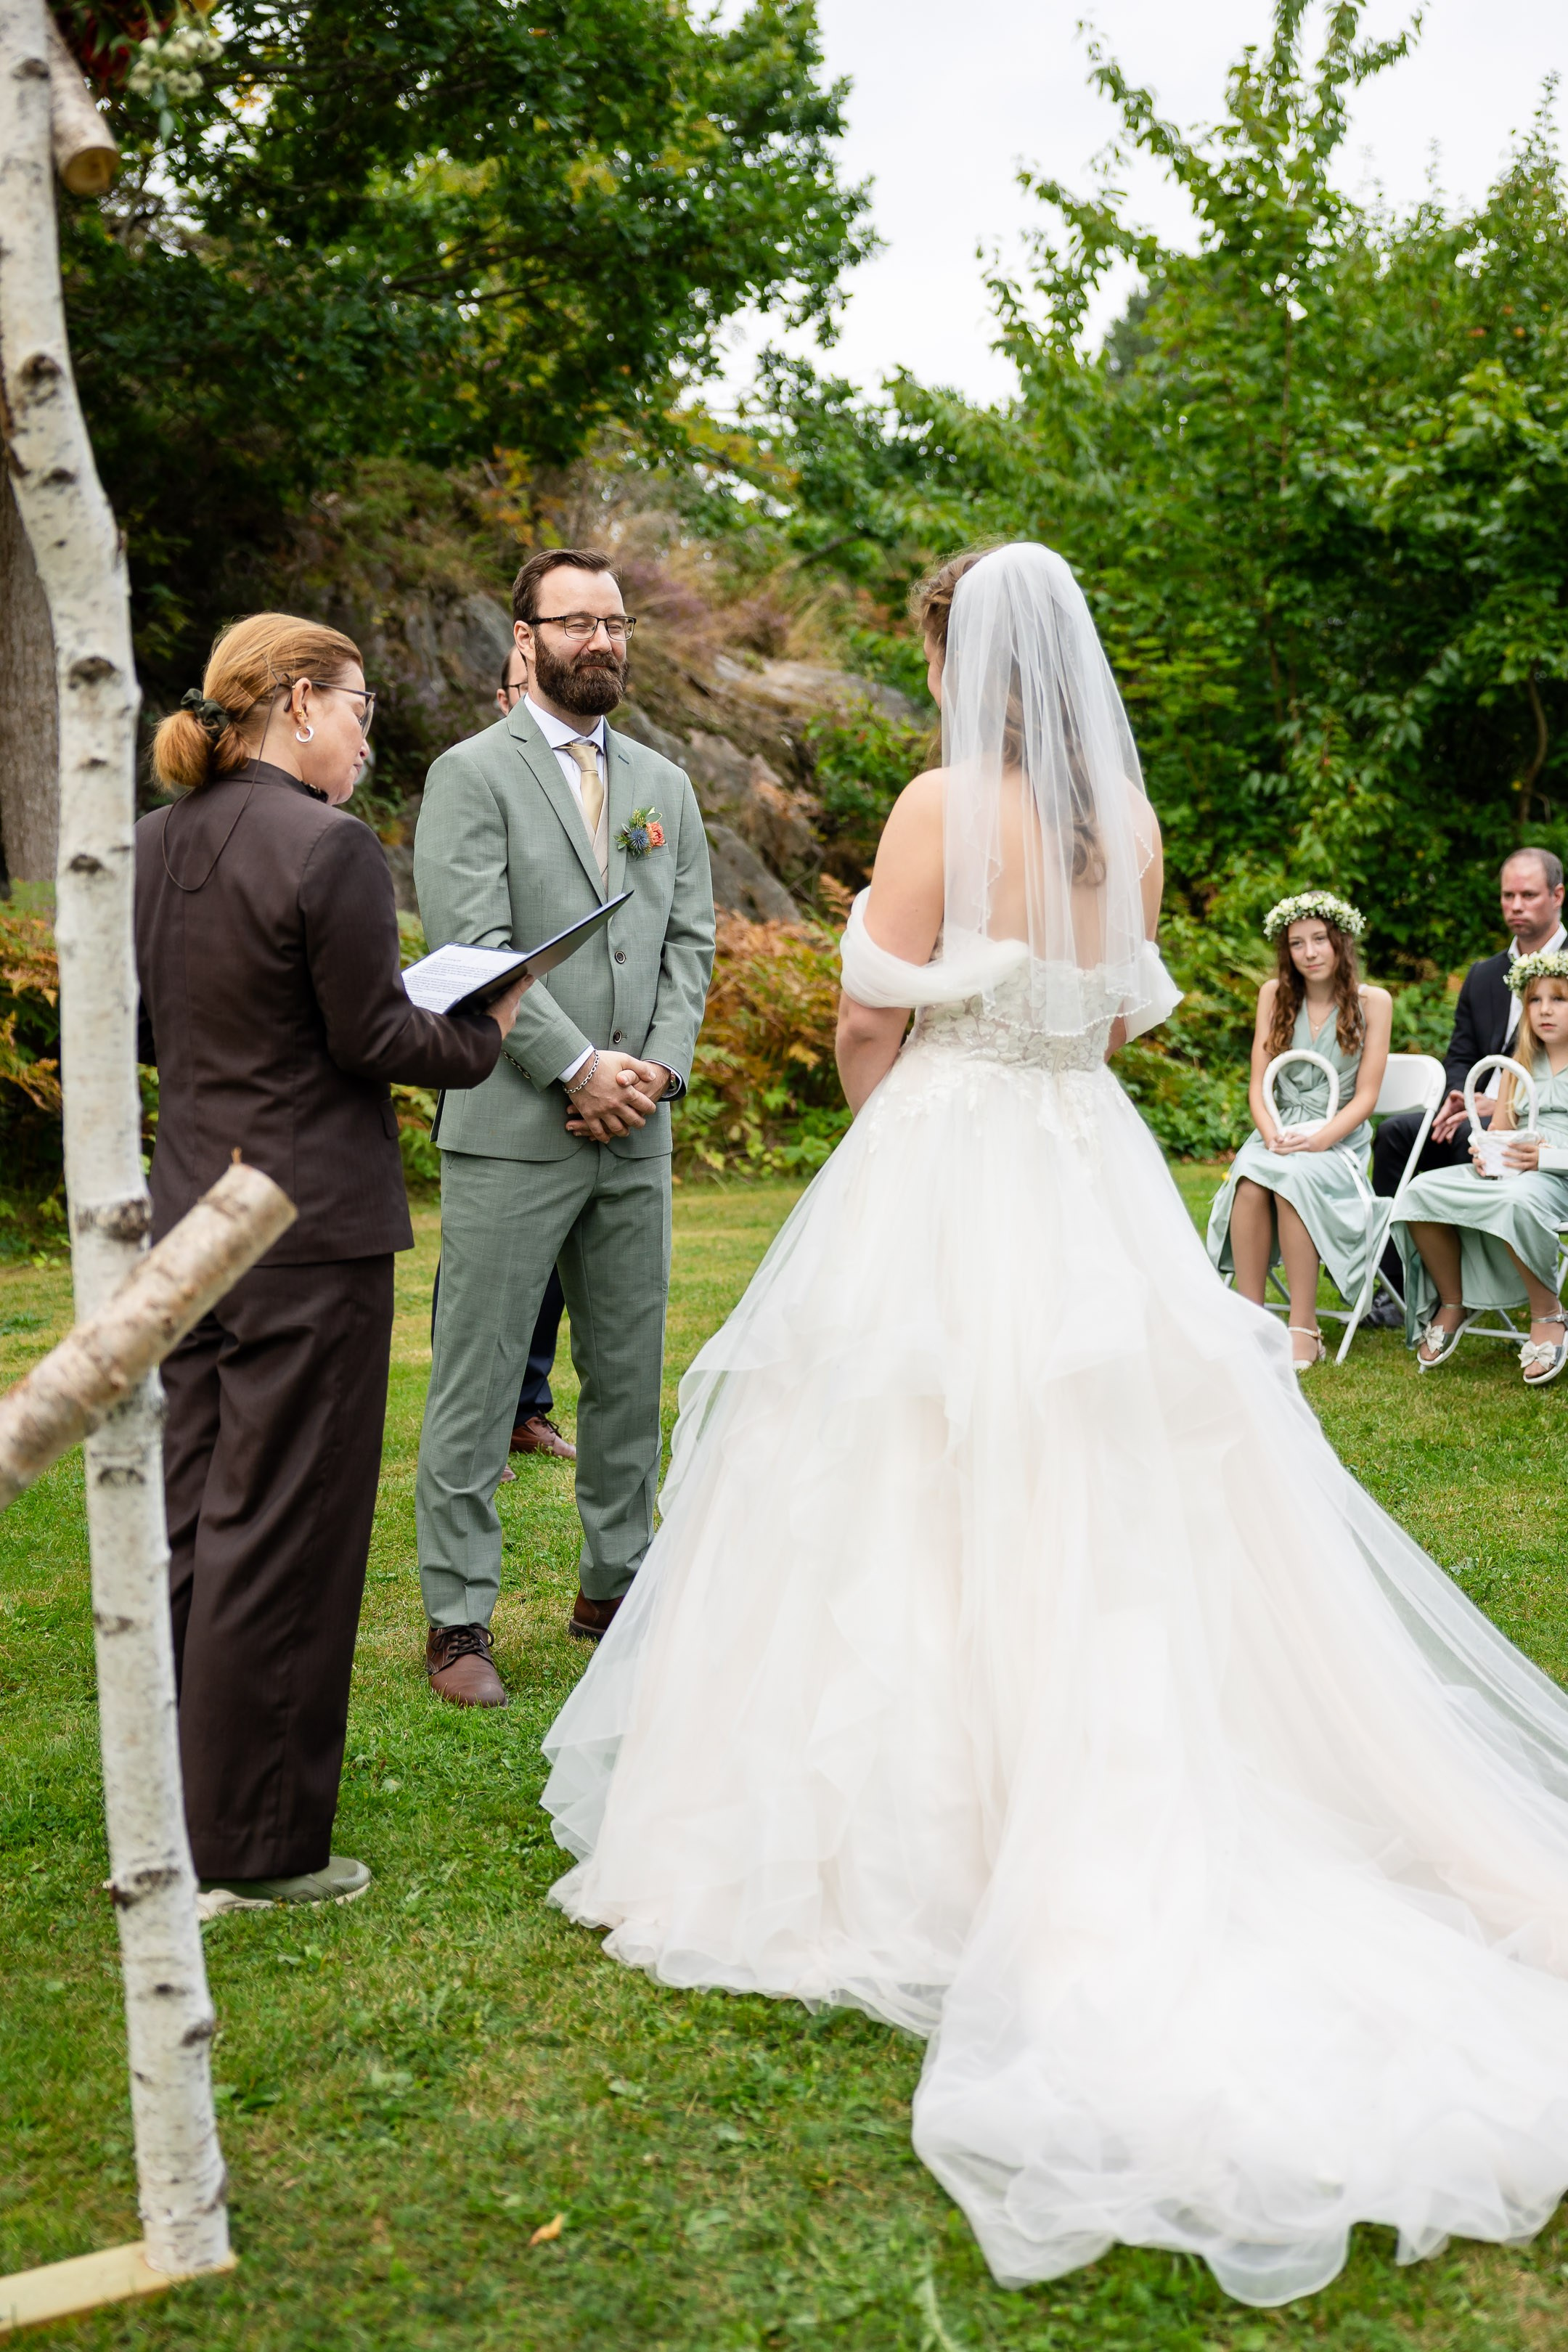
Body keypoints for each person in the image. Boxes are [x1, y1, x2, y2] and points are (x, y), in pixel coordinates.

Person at [541, 543, 1568, 2314]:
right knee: (1101, 1473)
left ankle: (917, 1821)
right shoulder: (1134, 822)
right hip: (1081, 1152)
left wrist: (890, 1131)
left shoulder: (947, 797)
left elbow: (870, 1009)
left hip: (954, 1142)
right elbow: (1107, 1009)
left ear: (970, 660)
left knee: (893, 1455)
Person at [136, 613, 523, 1912]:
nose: (368, 734)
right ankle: (258, 1850)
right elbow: (374, 1036)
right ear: (300, 703)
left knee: (195, 1524)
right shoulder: (329, 845)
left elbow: (158, 1023)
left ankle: (182, 1825)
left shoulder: (152, 842)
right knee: (287, 1535)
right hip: (308, 1234)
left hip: (186, 1220)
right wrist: (486, 1028)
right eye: (360, 707)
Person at [412, 547, 714, 1706]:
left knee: (629, 1375)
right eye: (577, 623)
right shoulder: (470, 774)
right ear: (527, 637)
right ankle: (458, 1619)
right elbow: (474, 947)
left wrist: (656, 1077)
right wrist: (577, 1067)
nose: (604, 642)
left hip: (638, 1129)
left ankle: (614, 1586)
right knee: (480, 1379)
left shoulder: (664, 785)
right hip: (512, 1125)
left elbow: (689, 946)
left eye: (617, 622)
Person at [1365, 848, 1566, 1323]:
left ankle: (1474, 1289)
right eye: (1507, 895)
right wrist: (1459, 1096)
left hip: (1535, 1119)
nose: (1516, 905)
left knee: (1473, 1143)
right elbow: (1460, 1055)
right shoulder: (1482, 975)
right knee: (1397, 1135)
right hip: (1473, 1108)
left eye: (1529, 895)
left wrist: (1499, 1108)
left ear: (1558, 896)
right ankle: (1395, 1291)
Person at [1206, 894, 1391, 1367]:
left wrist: (1320, 1139)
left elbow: (1367, 1097)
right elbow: (1258, 1081)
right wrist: (1269, 1133)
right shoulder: (1274, 995)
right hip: (1279, 1130)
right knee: (1250, 1181)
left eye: (1319, 940)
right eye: (1296, 943)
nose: (1309, 952)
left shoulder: (1375, 1002)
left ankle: (1303, 1325)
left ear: (1341, 943)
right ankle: (1251, 1318)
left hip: (1337, 1140)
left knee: (1292, 1182)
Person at [1391, 953, 1568, 1381]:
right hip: (1514, 1170)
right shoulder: (1519, 1065)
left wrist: (1545, 1158)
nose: (1544, 1009)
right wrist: (1487, 1148)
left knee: (1514, 1200)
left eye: (1559, 999)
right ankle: (1453, 1301)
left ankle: (1548, 1314)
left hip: (1559, 1176)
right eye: (1534, 1000)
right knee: (1420, 1192)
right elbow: (1504, 1128)